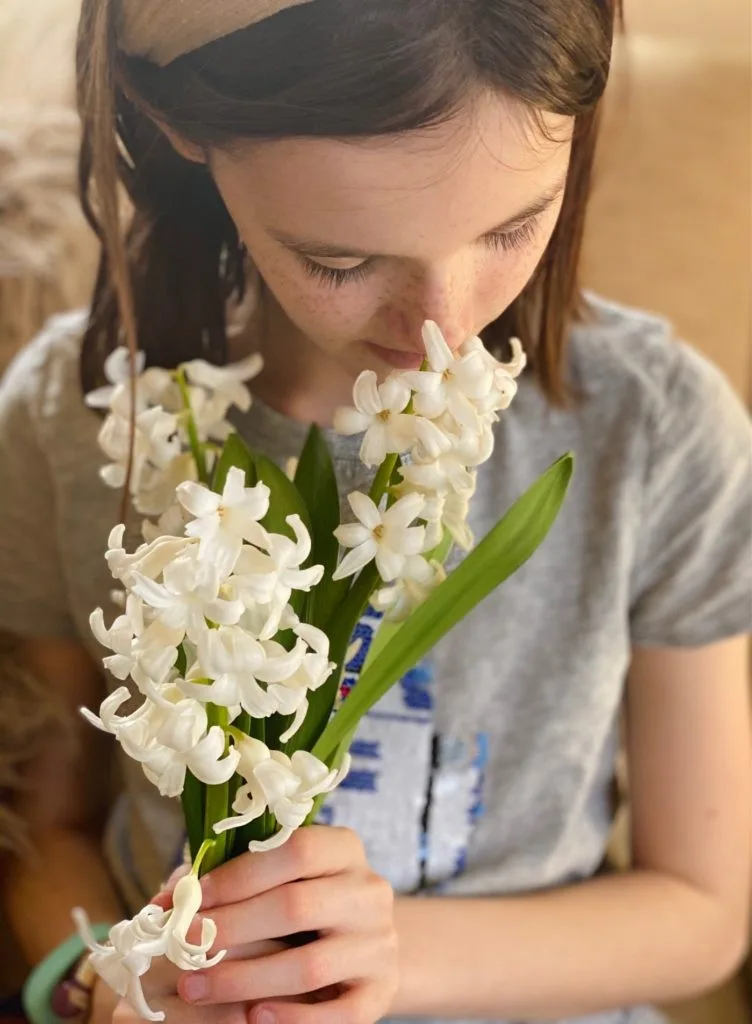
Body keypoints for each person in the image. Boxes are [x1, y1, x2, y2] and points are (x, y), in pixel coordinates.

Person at [0, 1, 750, 1023]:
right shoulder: (67, 421)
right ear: (184, 130)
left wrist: (381, 957)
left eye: (510, 226)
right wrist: (103, 986)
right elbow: (46, 828)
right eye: (340, 261)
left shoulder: (656, 431)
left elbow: (702, 910)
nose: (443, 330)